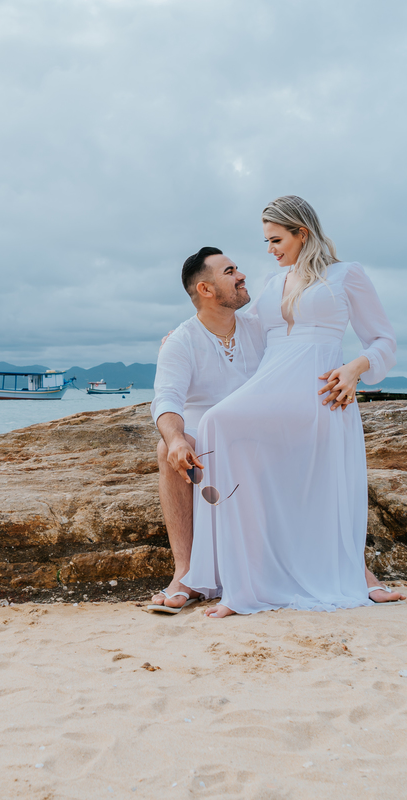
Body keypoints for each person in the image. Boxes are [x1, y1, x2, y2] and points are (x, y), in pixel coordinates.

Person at [183, 196, 407, 617]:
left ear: (301, 232)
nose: (270, 249)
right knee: (215, 425)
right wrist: (183, 338)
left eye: (276, 239)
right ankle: (239, 584)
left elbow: (384, 342)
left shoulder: (346, 275)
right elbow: (240, 325)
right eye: (267, 241)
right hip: (272, 387)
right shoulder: (273, 282)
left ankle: (358, 576)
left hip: (320, 391)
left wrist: (355, 367)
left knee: (324, 485)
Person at [148, 247, 264, 612]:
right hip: (206, 436)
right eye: (230, 271)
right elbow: (167, 400)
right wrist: (176, 438)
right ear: (206, 290)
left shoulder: (260, 328)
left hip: (256, 432)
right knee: (167, 451)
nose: (242, 275)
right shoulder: (181, 341)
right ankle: (185, 571)